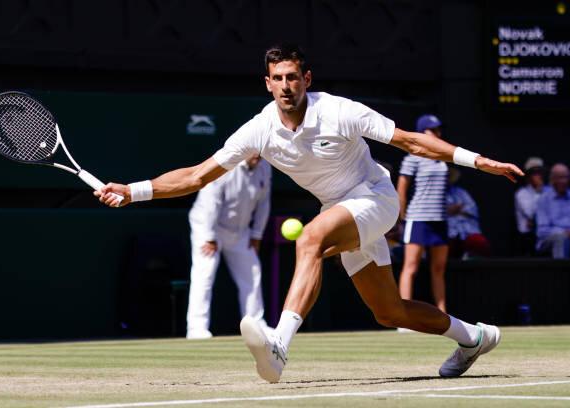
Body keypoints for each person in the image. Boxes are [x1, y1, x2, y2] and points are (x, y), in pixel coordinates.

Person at [95, 44, 523, 383]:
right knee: (390, 312)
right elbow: (197, 175)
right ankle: (476, 337)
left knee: (311, 239)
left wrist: (479, 160)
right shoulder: (259, 129)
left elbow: (411, 141)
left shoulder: (340, 111)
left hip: (375, 197)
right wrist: (132, 192)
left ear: (307, 80)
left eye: (293, 78)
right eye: (278, 78)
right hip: (340, 209)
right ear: (267, 83)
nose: (286, 86)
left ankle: (279, 346)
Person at [186, 154, 272, 339]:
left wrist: (257, 234)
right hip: (208, 226)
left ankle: (257, 325)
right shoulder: (225, 166)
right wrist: (209, 237)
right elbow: (211, 202)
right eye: (253, 151)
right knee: (205, 273)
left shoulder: (265, 168)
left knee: (252, 272)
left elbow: (264, 203)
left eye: (260, 151)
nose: (257, 155)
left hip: (240, 231)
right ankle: (196, 329)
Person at [397, 114, 449, 314]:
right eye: (432, 130)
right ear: (422, 133)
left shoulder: (443, 157)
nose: (437, 133)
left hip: (440, 219)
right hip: (418, 218)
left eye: (438, 129)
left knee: (438, 269)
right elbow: (401, 187)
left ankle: (443, 314)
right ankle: (403, 316)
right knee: (411, 267)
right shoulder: (412, 158)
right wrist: (403, 216)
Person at [536, 163, 570, 259]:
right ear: (552, 179)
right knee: (561, 238)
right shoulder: (544, 199)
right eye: (560, 177)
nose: (564, 181)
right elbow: (542, 230)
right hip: (551, 238)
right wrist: (567, 233)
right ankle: (561, 272)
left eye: (566, 177)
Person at [446, 167, 491, 259]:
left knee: (480, 243)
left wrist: (455, 210)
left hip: (467, 231)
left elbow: (472, 209)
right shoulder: (433, 193)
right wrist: (448, 210)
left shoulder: (461, 192)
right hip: (447, 232)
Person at [514, 157, 547, 255]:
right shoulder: (521, 193)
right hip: (528, 237)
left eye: (540, 172)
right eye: (535, 173)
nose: (539, 176)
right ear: (528, 176)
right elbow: (531, 213)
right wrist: (538, 191)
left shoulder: (549, 191)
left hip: (546, 231)